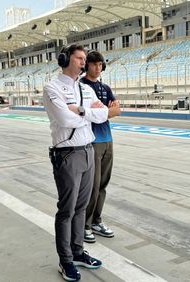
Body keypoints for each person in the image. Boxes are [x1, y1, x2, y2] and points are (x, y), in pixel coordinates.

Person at [43, 44, 109, 281]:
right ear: (65, 59)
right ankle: (66, 260)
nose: (84, 62)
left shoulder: (85, 89)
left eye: (84, 58)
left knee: (81, 208)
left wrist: (79, 111)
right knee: (67, 210)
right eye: (79, 58)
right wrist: (85, 115)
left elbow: (103, 115)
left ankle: (78, 252)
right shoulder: (52, 87)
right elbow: (63, 119)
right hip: (68, 155)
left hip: (88, 151)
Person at [81, 50, 120, 243]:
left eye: (100, 64)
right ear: (87, 65)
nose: (98, 67)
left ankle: (96, 220)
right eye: (94, 64)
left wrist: (103, 112)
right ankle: (85, 225)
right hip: (91, 141)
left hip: (107, 139)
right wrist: (106, 111)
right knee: (92, 186)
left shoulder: (105, 87)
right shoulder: (81, 86)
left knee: (103, 184)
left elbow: (117, 110)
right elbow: (86, 113)